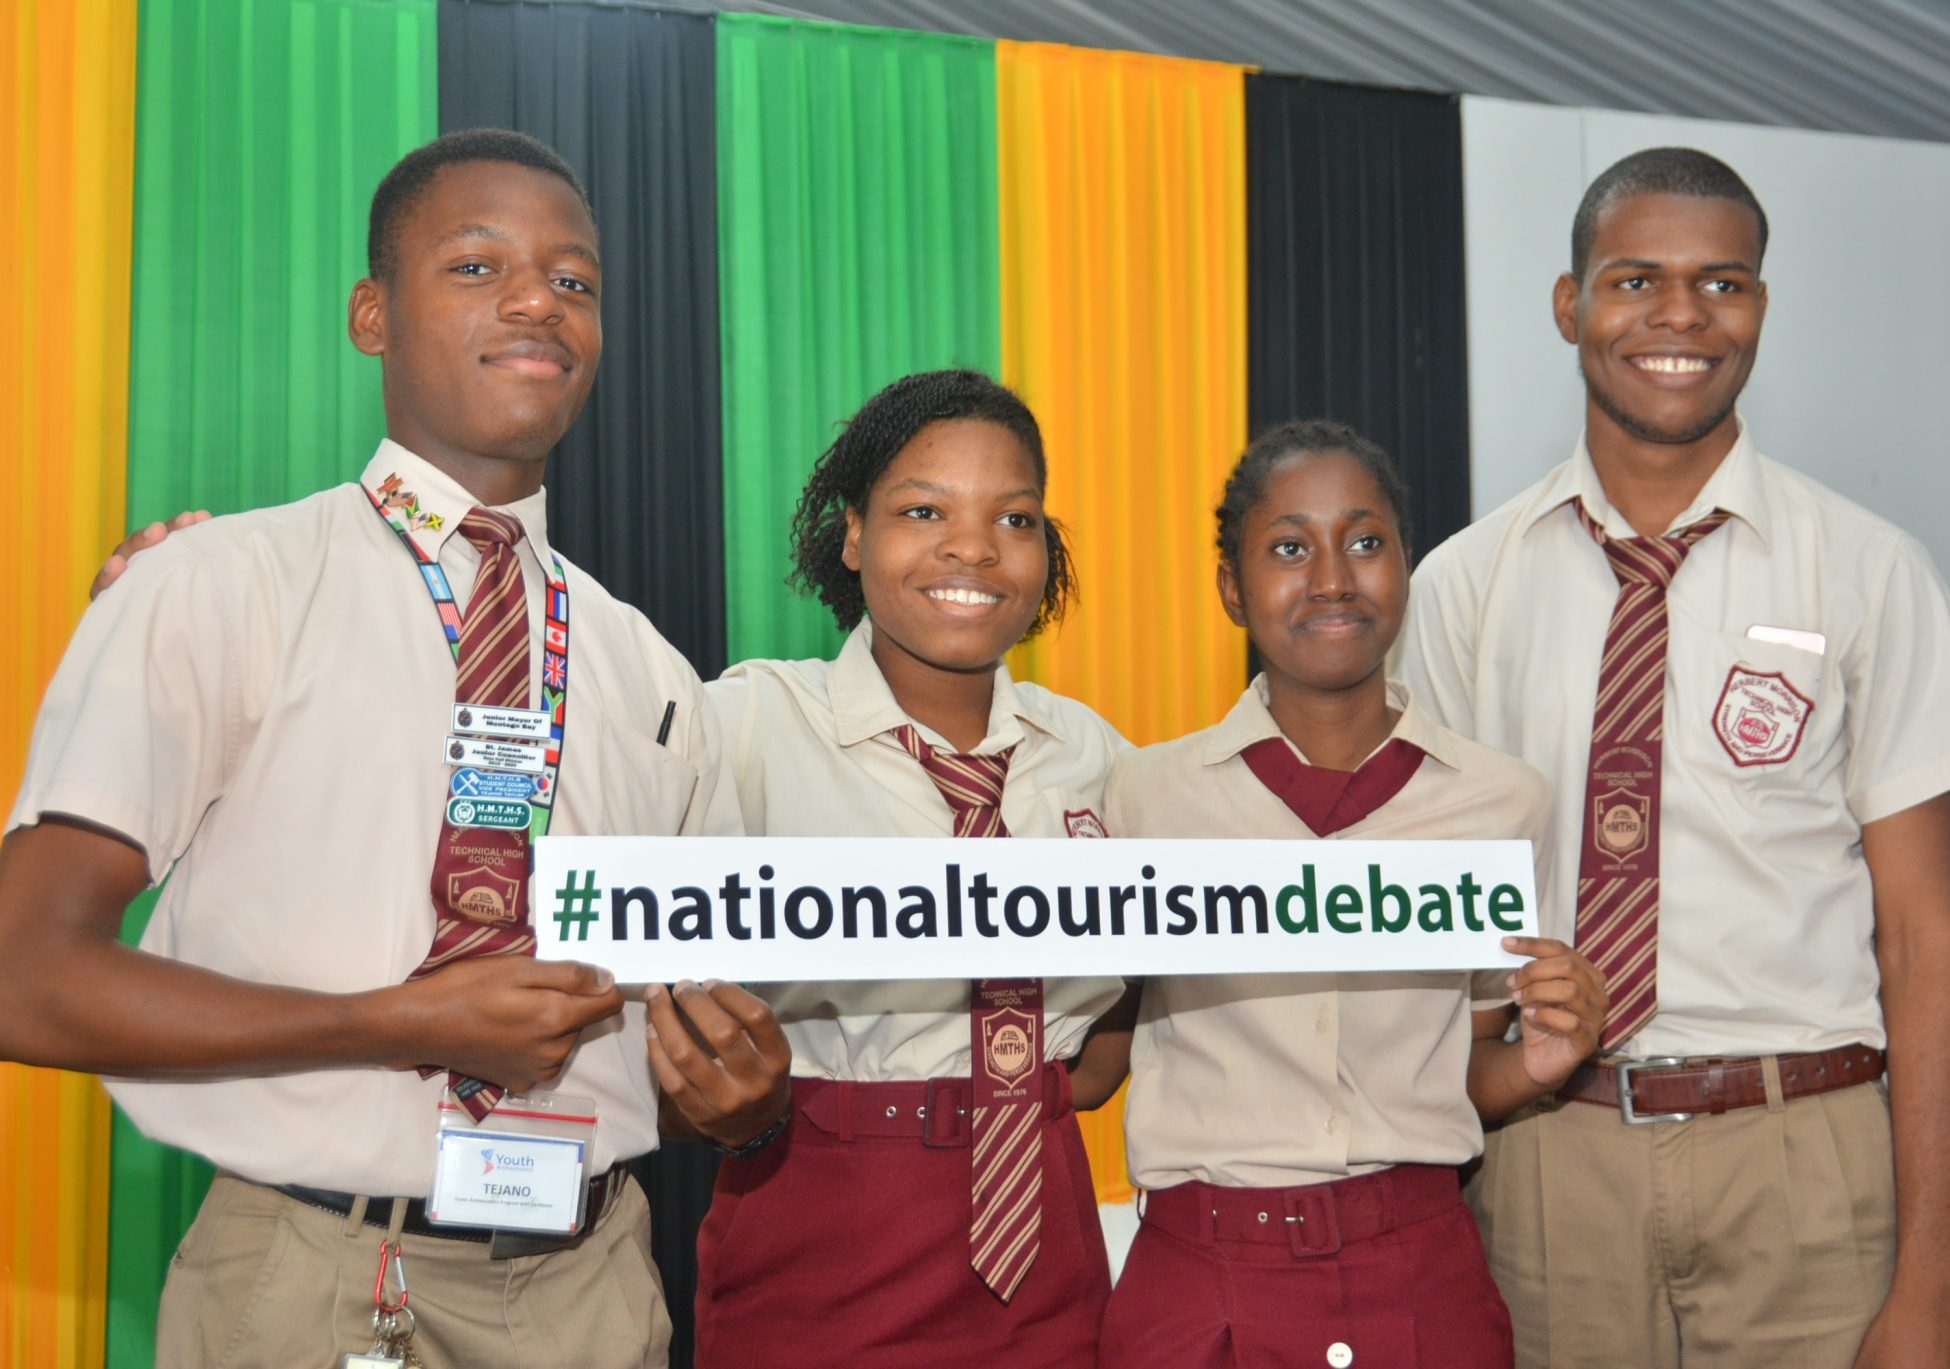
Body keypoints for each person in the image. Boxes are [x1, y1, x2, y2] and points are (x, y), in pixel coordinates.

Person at [0, 129, 789, 1368]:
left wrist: (733, 1099)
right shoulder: (221, 584)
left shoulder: (649, 669)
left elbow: (672, 1043)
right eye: (477, 266)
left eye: (574, 281)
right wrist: (393, 1020)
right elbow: (24, 976)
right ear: (373, 313)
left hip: (592, 1289)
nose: (538, 299)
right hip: (318, 1280)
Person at [1394, 148, 1950, 1369]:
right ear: (1569, 305)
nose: (1678, 315)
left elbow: (1923, 936)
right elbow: (1431, 920)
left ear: (1760, 309)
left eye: (1719, 283)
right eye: (1633, 279)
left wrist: (1936, 1281)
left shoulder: (1866, 570)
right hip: (1547, 1162)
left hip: (1804, 1154)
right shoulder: (1461, 587)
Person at [1097, 420, 1608, 1368]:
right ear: (1232, 588)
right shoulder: (1142, 798)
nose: (1333, 577)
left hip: (1418, 1267)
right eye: (1290, 548)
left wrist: (1549, 1060)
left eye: (1365, 542)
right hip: (1200, 1271)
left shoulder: (1501, 802)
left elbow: (1470, 1072)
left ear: (1405, 568)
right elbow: (1097, 1061)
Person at [669, 369, 1135, 1368]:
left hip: (1046, 1239)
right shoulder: (746, 723)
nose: (970, 546)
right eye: (922, 510)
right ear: (851, 534)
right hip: (824, 1219)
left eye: (1013, 518)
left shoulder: (1094, 753)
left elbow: (1119, 1025)